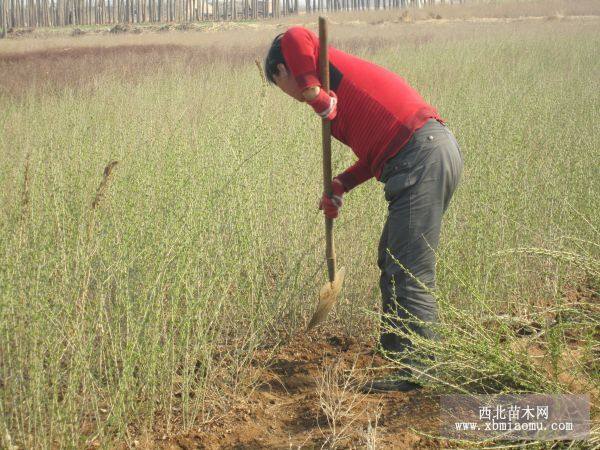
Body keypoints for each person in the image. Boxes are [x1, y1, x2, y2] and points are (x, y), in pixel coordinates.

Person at [264, 26, 463, 393]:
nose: (292, 97)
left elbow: (294, 36)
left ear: (282, 72)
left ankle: (418, 372)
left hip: (421, 153)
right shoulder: (337, 97)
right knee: (392, 258)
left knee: (409, 268)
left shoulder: (312, 62)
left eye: (283, 88)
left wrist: (313, 94)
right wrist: (340, 185)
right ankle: (402, 356)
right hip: (421, 153)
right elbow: (376, 152)